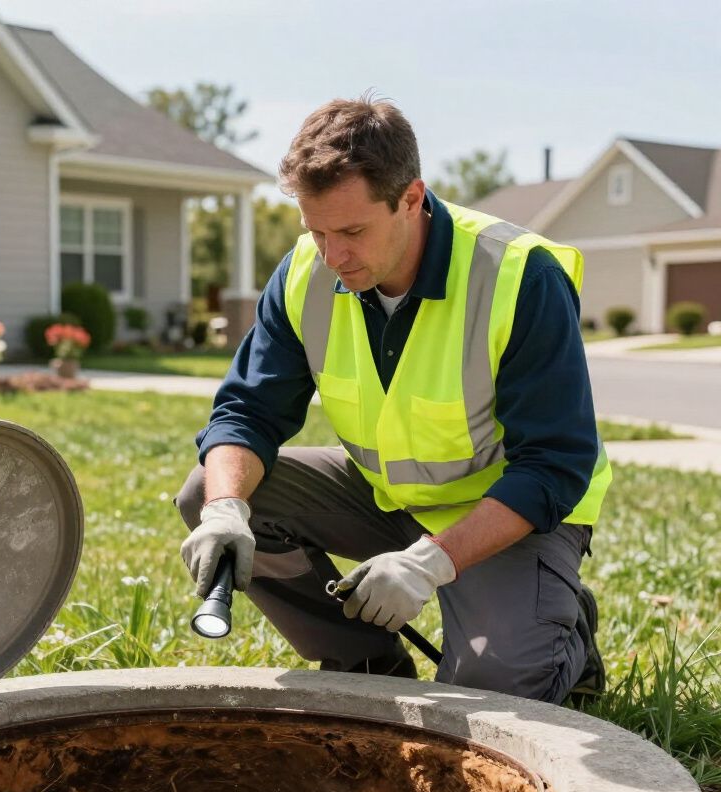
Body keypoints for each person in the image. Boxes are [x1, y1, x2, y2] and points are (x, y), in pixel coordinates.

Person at [176, 97, 611, 704]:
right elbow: (247, 412)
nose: (333, 256)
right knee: (211, 489)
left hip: (510, 515)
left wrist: (427, 564)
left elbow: (553, 467)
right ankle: (366, 665)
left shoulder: (518, 276)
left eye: (352, 231)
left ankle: (567, 635)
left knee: (494, 690)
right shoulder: (307, 273)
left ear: (411, 198)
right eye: (317, 231)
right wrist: (225, 509)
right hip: (390, 500)